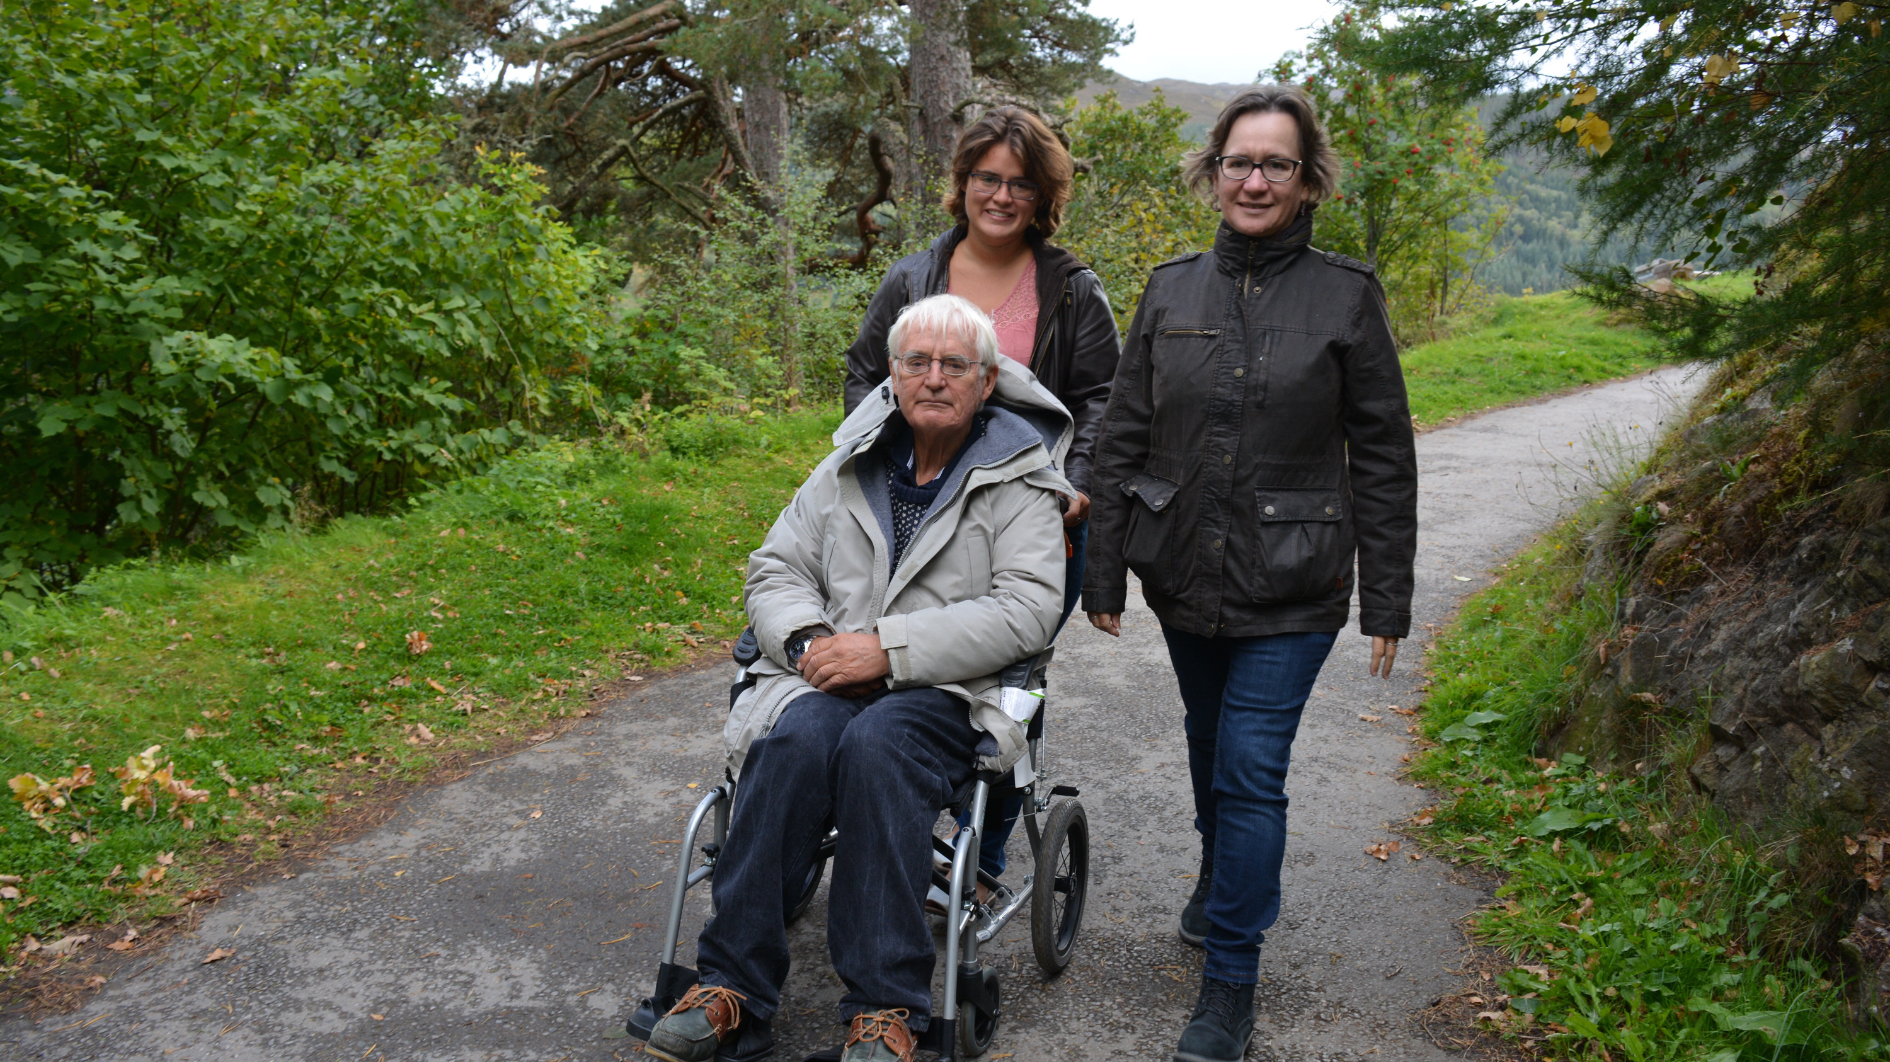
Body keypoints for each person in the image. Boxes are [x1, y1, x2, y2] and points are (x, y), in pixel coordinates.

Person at [642, 294, 1073, 1062]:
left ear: (986, 382)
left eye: (954, 365)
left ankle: (885, 1009)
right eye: (917, 362)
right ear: (893, 375)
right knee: (795, 738)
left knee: (880, 748)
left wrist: (887, 648)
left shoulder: (1022, 479)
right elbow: (777, 568)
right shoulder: (846, 466)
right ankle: (733, 988)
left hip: (947, 692)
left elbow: (1029, 610)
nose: (933, 378)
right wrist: (810, 641)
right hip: (827, 678)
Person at [1082, 85, 1418, 1062]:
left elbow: (1384, 452)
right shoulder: (1170, 288)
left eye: (1276, 164)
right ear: (1213, 174)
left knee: (1249, 770)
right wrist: (1105, 573)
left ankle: (1230, 979)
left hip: (1297, 580)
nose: (1255, 179)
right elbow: (1125, 436)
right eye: (1239, 162)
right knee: (1204, 738)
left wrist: (1383, 595)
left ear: (1309, 182)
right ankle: (1218, 875)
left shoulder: (1347, 296)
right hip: (1182, 567)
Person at [843, 104, 1120, 892]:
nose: (1000, 196)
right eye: (986, 179)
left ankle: (983, 847)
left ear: (1043, 197)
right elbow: (866, 373)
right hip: (919, 509)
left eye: (1020, 184)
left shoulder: (1069, 288)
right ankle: (898, 823)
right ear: (962, 184)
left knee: (1009, 674)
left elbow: (1106, 393)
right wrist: (875, 455)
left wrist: (1081, 481)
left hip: (1032, 513)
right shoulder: (913, 278)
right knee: (907, 656)